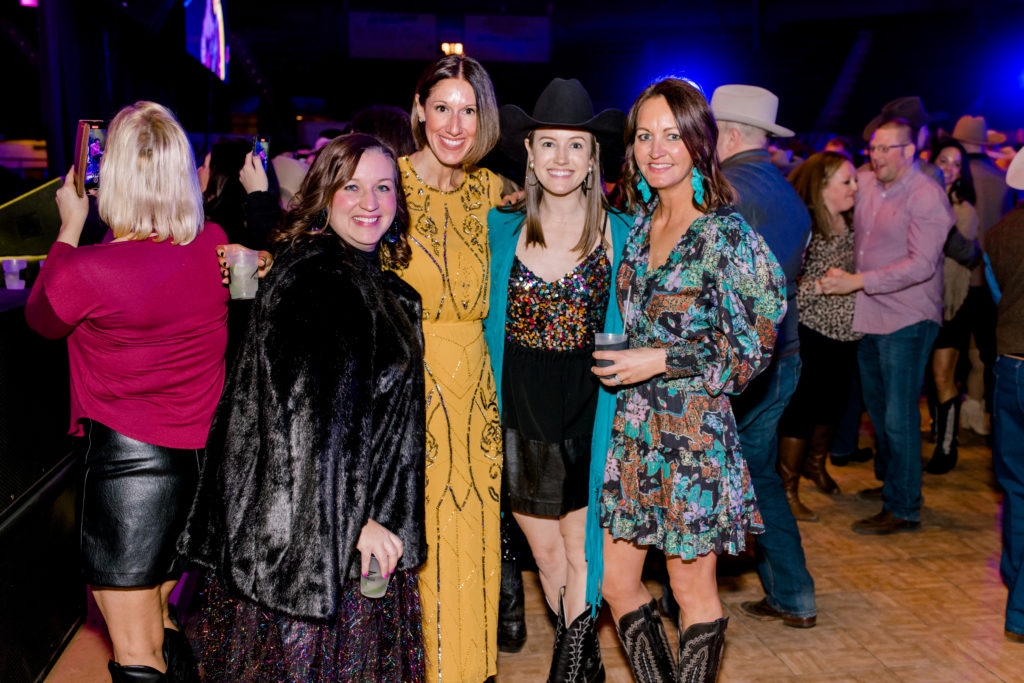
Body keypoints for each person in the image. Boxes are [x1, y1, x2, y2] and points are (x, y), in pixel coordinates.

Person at [179, 134, 428, 681]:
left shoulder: (371, 283)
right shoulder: (319, 282)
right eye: (351, 187)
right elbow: (303, 428)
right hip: (314, 543)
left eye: (383, 187)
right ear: (323, 195)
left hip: (350, 537)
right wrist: (357, 522)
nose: (370, 202)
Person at [590, 78, 786, 681]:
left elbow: (753, 344)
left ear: (699, 142)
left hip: (694, 434)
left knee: (689, 587)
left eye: (672, 135)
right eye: (645, 136)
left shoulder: (725, 235)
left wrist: (662, 359)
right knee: (614, 581)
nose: (657, 149)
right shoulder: (639, 226)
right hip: (636, 430)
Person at [25, 101, 228, 681]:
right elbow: (155, 258)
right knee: (160, 621)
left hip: (132, 479)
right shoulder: (214, 244)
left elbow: (40, 318)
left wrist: (69, 225)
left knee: (137, 651)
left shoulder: (87, 272)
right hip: (202, 472)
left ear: (110, 176)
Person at [483, 77, 628, 682]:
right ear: (529, 152)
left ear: (593, 158)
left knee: (584, 555)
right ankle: (583, 666)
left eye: (575, 145)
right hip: (520, 414)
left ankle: (570, 673)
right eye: (548, 144)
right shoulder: (499, 229)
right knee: (545, 558)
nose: (561, 158)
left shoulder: (622, 235)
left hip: (592, 412)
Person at [396, 54, 505, 682]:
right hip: (407, 392)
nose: (455, 126)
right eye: (442, 108)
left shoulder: (495, 192)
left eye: (468, 111)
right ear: (419, 110)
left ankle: (471, 670)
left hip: (477, 394)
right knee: (418, 537)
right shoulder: (384, 183)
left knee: (475, 535)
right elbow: (330, 255)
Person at [710, 84, 819, 630]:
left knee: (705, 474)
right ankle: (793, 595)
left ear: (728, 134)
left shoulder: (726, 192)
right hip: (784, 356)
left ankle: (689, 597)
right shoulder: (788, 192)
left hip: (743, 362)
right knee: (758, 474)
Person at [820, 117, 954, 535]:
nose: (875, 157)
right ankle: (896, 485)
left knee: (899, 416)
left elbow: (921, 265)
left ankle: (904, 507)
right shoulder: (866, 183)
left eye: (884, 149)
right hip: (870, 314)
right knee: (879, 413)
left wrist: (858, 281)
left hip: (908, 316)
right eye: (872, 148)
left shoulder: (926, 196)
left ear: (909, 152)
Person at [777, 152, 861, 520]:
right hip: (810, 332)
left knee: (833, 405)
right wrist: (823, 286)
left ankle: (816, 465)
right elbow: (782, 280)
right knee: (800, 411)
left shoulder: (854, 224)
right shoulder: (804, 227)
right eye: (847, 181)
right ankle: (788, 488)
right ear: (822, 186)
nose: (855, 187)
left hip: (847, 334)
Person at [985, 148, 1024, 644]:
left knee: (1016, 487)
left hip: (1009, 367)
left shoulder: (998, 232)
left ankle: (1016, 577)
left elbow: (999, 296)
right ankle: (1021, 610)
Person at [952, 115, 1011, 436]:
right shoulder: (1002, 178)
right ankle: (977, 404)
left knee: (949, 351)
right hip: (991, 276)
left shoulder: (954, 176)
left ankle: (948, 421)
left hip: (955, 275)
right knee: (985, 349)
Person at [925, 138, 979, 473]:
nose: (949, 169)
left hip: (951, 304)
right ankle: (936, 429)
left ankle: (947, 447)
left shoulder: (964, 210)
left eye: (956, 164)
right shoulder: (917, 199)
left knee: (943, 375)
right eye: (943, 161)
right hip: (920, 302)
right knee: (928, 377)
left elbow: (958, 253)